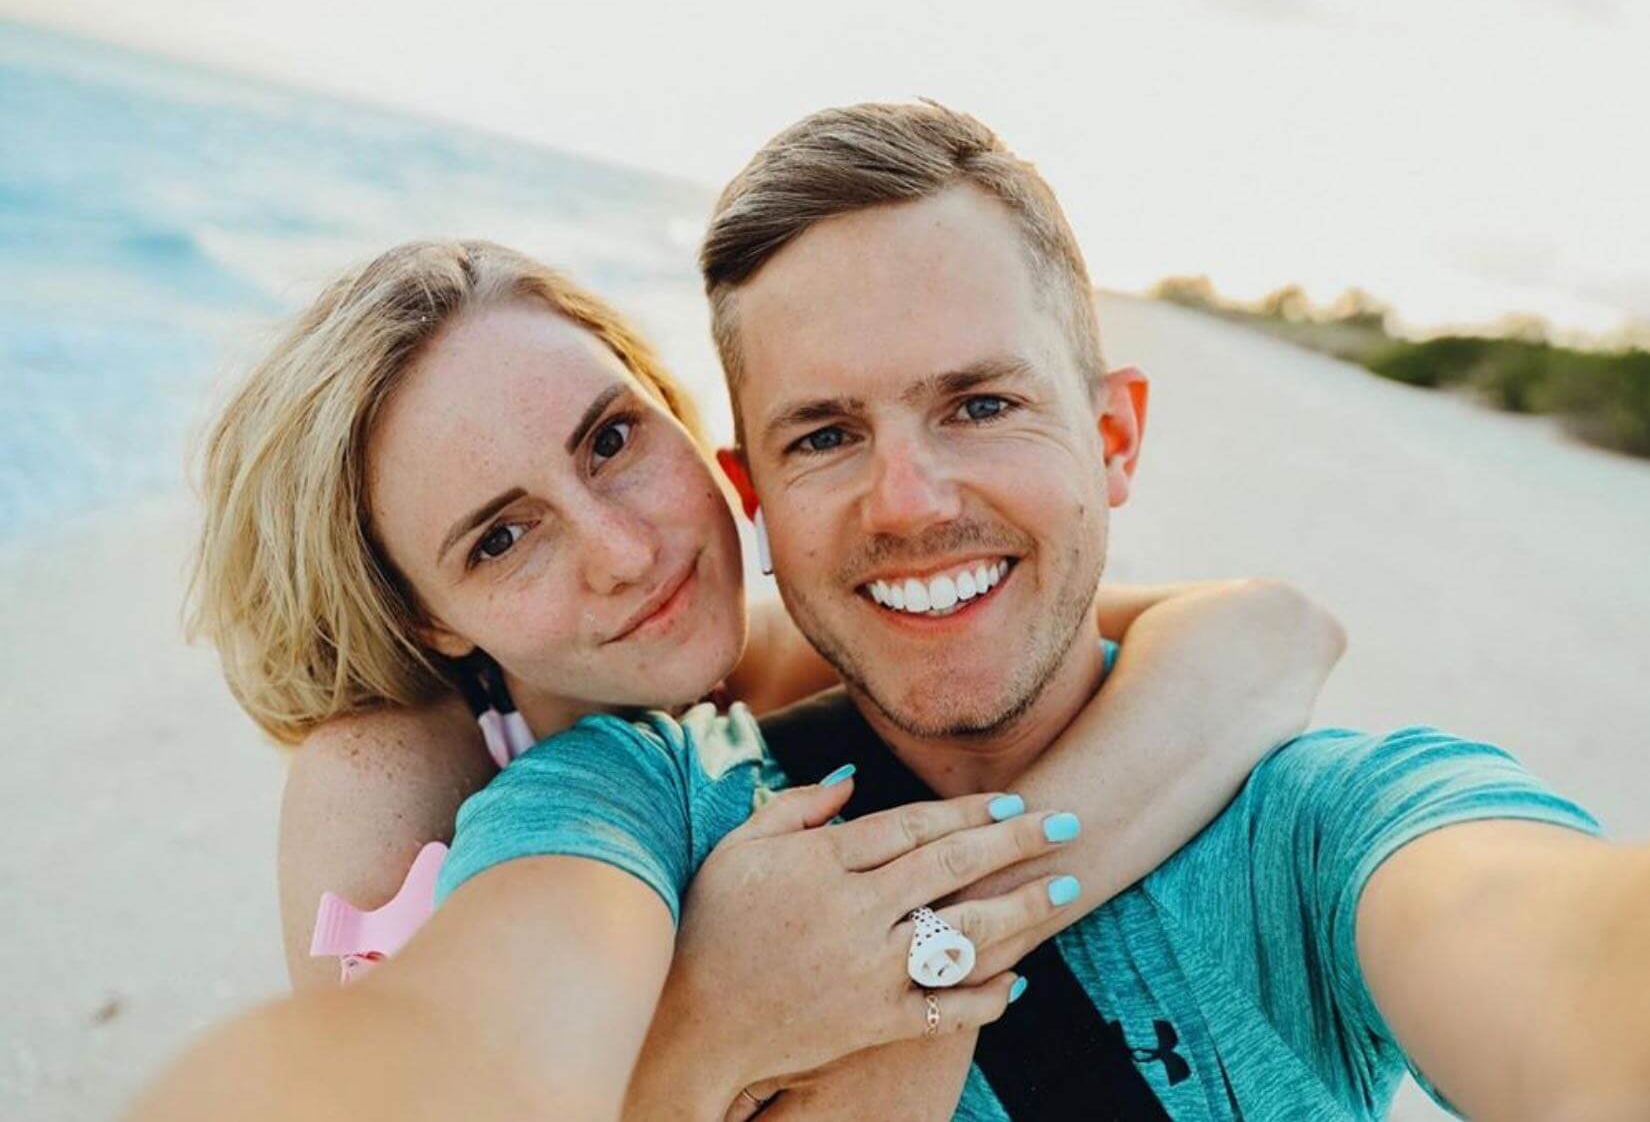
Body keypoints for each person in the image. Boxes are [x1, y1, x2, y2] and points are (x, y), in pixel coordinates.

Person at [438, 103, 1650, 1118]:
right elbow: (432, 1049)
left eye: (977, 406)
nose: (907, 505)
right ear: (753, 498)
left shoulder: (1313, 833)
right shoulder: (640, 803)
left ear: (1113, 437)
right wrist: (703, 1026)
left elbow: (1552, 941)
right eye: (826, 434)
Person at [145, 235, 1343, 1116]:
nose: (624, 552)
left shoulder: (806, 645)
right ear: (427, 614)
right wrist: (717, 1018)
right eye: (501, 537)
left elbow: (1274, 633)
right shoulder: (393, 764)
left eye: (611, 442)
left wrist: (939, 922)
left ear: (679, 420)